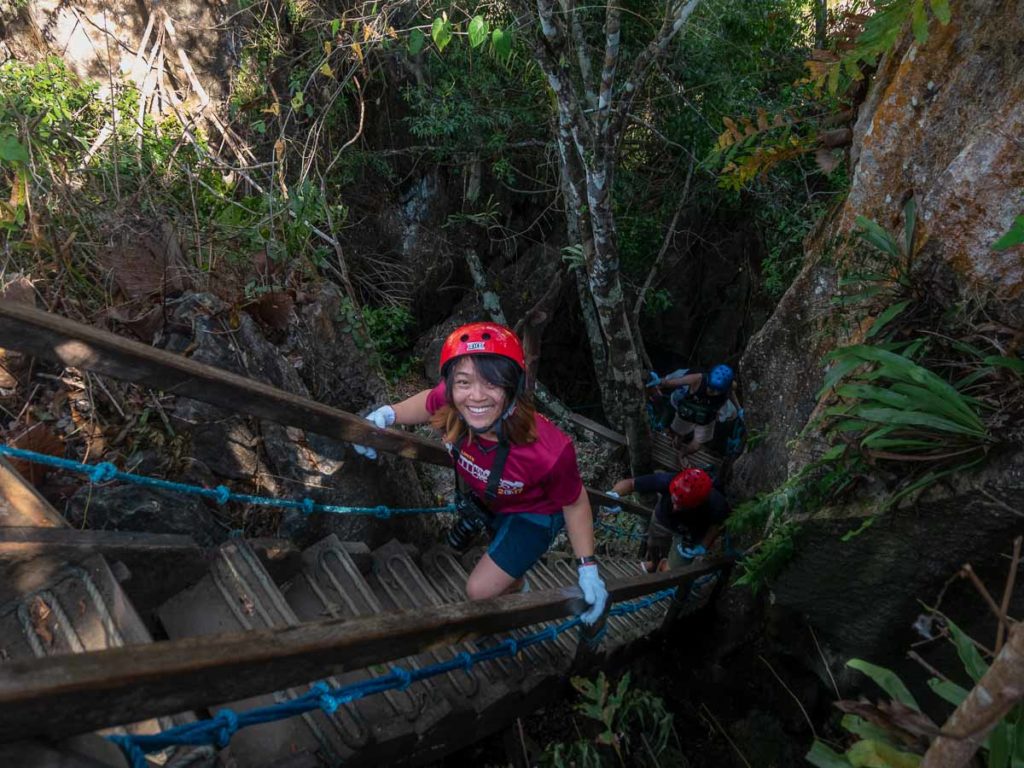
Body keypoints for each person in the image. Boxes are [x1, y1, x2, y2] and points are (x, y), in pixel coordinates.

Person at [353, 322, 608, 625]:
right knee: (497, 562)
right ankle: (511, 577)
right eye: (464, 382)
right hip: (491, 500)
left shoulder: (549, 450)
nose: (475, 396)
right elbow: (427, 402)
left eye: (492, 383)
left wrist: (587, 568)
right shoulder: (452, 403)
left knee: (479, 590)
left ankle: (516, 590)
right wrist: (387, 415)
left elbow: (575, 503)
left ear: (512, 387)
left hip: (533, 514)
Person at [609, 467, 730, 573]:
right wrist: (613, 495)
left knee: (674, 570)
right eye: (674, 500)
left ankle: (666, 571)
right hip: (663, 518)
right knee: (653, 544)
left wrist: (703, 545)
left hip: (690, 534)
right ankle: (654, 563)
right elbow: (632, 484)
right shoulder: (668, 480)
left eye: (682, 505)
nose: (675, 507)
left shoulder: (717, 504)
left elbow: (717, 525)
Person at [647, 365, 742, 459]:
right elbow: (672, 382)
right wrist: (659, 382)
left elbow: (731, 394)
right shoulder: (696, 379)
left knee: (696, 446)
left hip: (707, 416)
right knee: (678, 434)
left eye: (718, 391)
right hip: (687, 410)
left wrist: (739, 409)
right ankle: (676, 445)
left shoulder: (729, 386)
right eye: (711, 388)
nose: (713, 393)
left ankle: (682, 455)